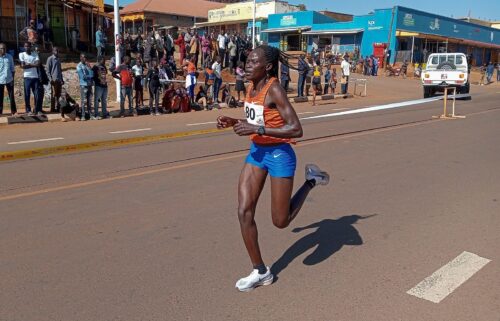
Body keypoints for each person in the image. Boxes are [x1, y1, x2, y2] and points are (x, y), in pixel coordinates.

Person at [216, 45, 330, 292]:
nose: (247, 64)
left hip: (279, 155)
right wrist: (235, 122)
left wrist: (257, 130)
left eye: (252, 61)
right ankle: (260, 271)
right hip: (257, 153)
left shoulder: (274, 89)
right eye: (246, 60)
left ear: (267, 67)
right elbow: (258, 121)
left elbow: (296, 129)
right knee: (244, 211)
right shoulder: (251, 86)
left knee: (281, 221)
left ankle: (311, 180)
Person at [19, 42, 41, 116]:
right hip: (27, 77)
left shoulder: (35, 54)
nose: (27, 48)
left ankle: (37, 109)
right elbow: (22, 66)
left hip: (35, 77)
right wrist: (33, 65)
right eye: (25, 46)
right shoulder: (22, 54)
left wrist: (29, 64)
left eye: (28, 46)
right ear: (24, 47)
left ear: (30, 47)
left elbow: (38, 64)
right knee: (27, 94)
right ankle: (28, 110)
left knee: (37, 94)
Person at [0, 43, 17, 116]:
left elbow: (12, 69)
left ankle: (14, 111)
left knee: (11, 96)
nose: (3, 50)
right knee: (0, 97)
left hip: (9, 79)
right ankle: (0, 112)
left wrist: (12, 79)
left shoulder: (9, 57)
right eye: (1, 48)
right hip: (0, 80)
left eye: (4, 48)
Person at [76, 53, 94, 121]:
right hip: (83, 85)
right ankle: (83, 116)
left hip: (89, 85)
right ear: (80, 58)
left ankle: (90, 115)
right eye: (83, 57)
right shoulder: (79, 66)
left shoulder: (87, 65)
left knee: (89, 101)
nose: (85, 59)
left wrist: (89, 68)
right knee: (83, 101)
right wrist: (89, 76)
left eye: (85, 57)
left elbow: (92, 74)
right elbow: (82, 76)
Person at [92, 55, 109, 119]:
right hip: (98, 86)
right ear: (100, 59)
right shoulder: (95, 67)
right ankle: (96, 114)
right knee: (96, 101)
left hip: (104, 85)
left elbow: (105, 73)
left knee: (104, 100)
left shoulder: (104, 66)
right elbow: (93, 76)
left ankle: (104, 114)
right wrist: (96, 82)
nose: (104, 60)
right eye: (103, 59)